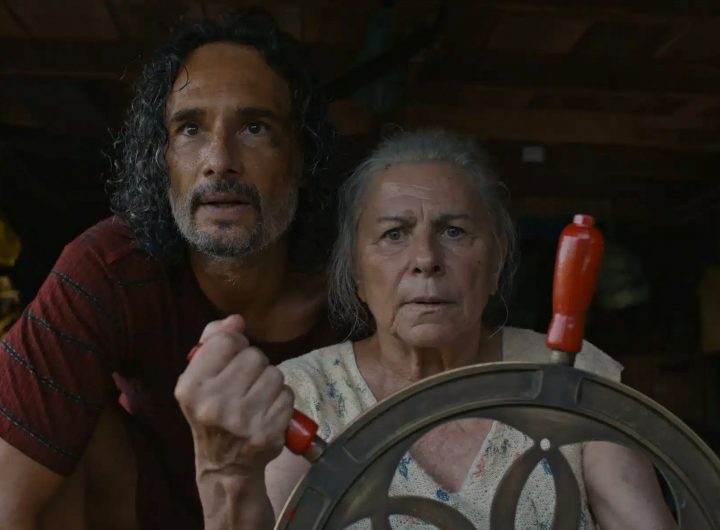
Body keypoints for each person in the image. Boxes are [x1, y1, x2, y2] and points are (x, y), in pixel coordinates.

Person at [178, 129, 678, 529]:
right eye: (394, 234)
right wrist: (223, 472)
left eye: (454, 232)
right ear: (356, 270)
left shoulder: (575, 378)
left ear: (497, 260)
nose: (425, 259)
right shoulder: (302, 396)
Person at [0, 9, 341, 529]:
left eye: (254, 128)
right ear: (161, 160)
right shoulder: (108, 267)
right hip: (142, 513)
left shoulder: (360, 279)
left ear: (300, 156)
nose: (219, 160)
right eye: (190, 129)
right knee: (60, 425)